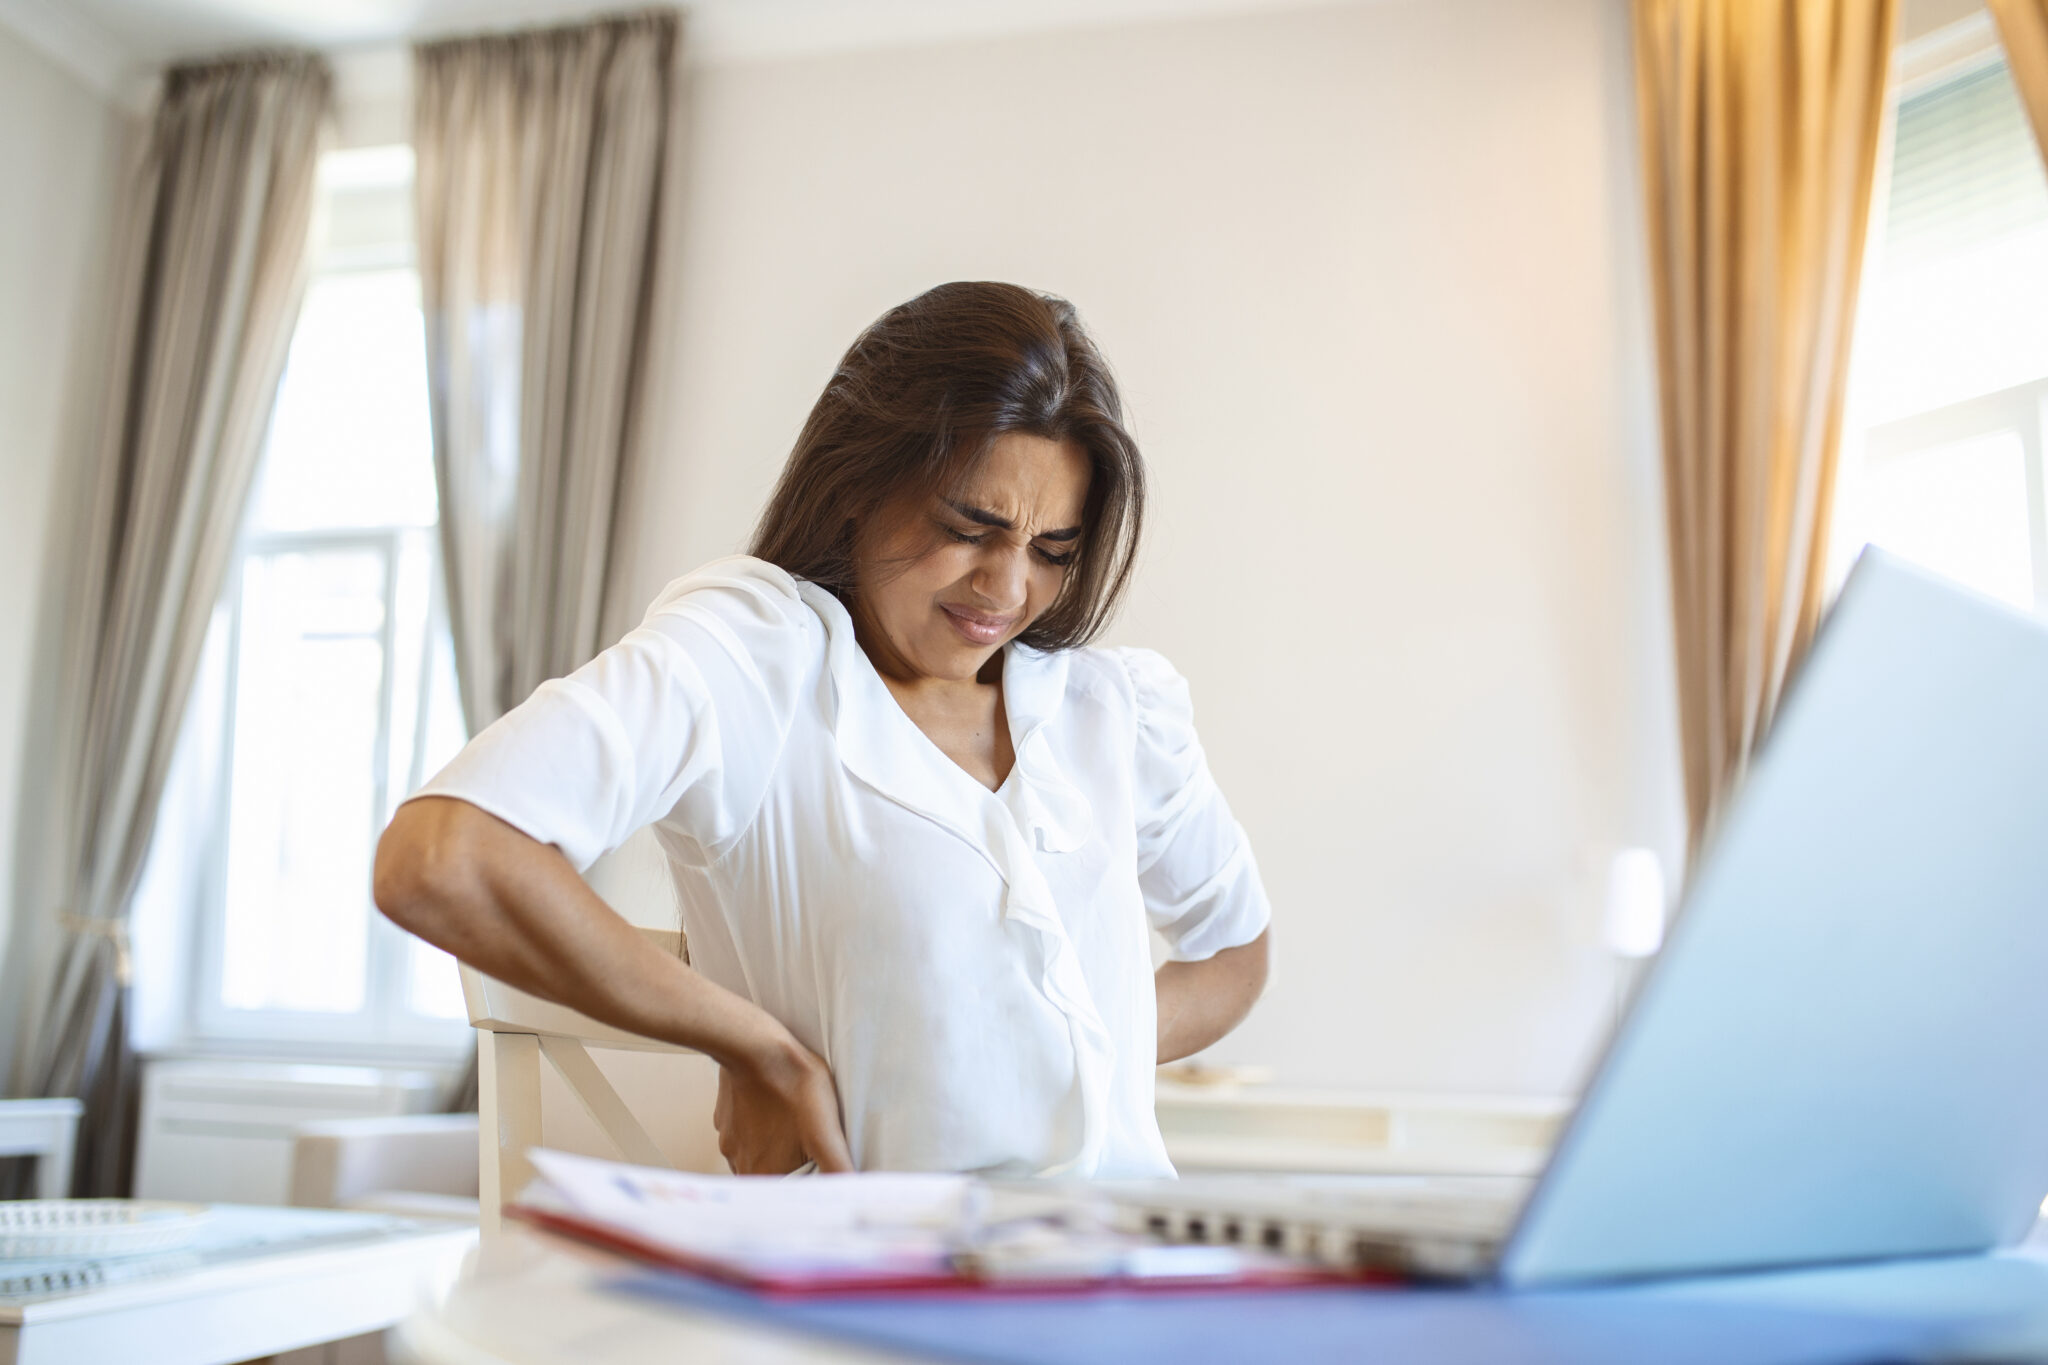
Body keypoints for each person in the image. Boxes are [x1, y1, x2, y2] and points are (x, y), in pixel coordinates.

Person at [374, 281, 1271, 1178]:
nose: (1005, 590)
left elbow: (1234, 951)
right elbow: (442, 858)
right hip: (877, 1282)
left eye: (1051, 551)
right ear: (855, 487)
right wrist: (752, 1044)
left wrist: (1053, 1054)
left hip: (1124, 1270)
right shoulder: (758, 658)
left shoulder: (1110, 708)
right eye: (969, 527)